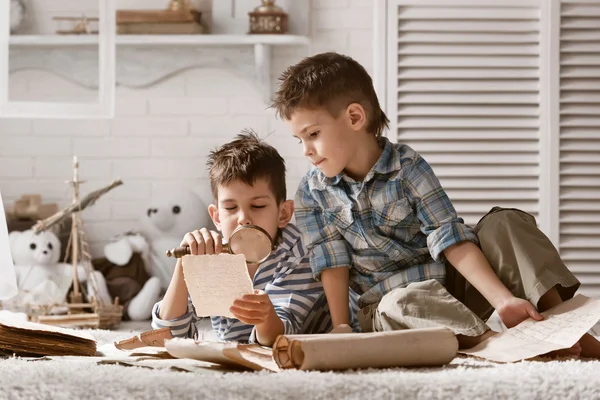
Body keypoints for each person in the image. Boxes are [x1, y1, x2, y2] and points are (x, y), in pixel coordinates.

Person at [270, 51, 600, 357]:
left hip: (451, 283)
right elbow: (332, 262)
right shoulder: (312, 192)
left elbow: (449, 236)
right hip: (391, 304)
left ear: (355, 117)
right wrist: (342, 326)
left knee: (504, 221)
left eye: (312, 134)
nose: (306, 150)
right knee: (400, 303)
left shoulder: (408, 167)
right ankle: (495, 342)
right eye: (299, 140)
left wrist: (502, 300)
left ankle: (557, 322)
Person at [151, 130, 359, 346]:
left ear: (283, 213)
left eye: (258, 206)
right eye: (230, 207)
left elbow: (279, 338)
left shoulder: (299, 254)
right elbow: (167, 336)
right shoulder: (212, 255)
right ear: (216, 217)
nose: (243, 218)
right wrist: (184, 267)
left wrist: (266, 316)